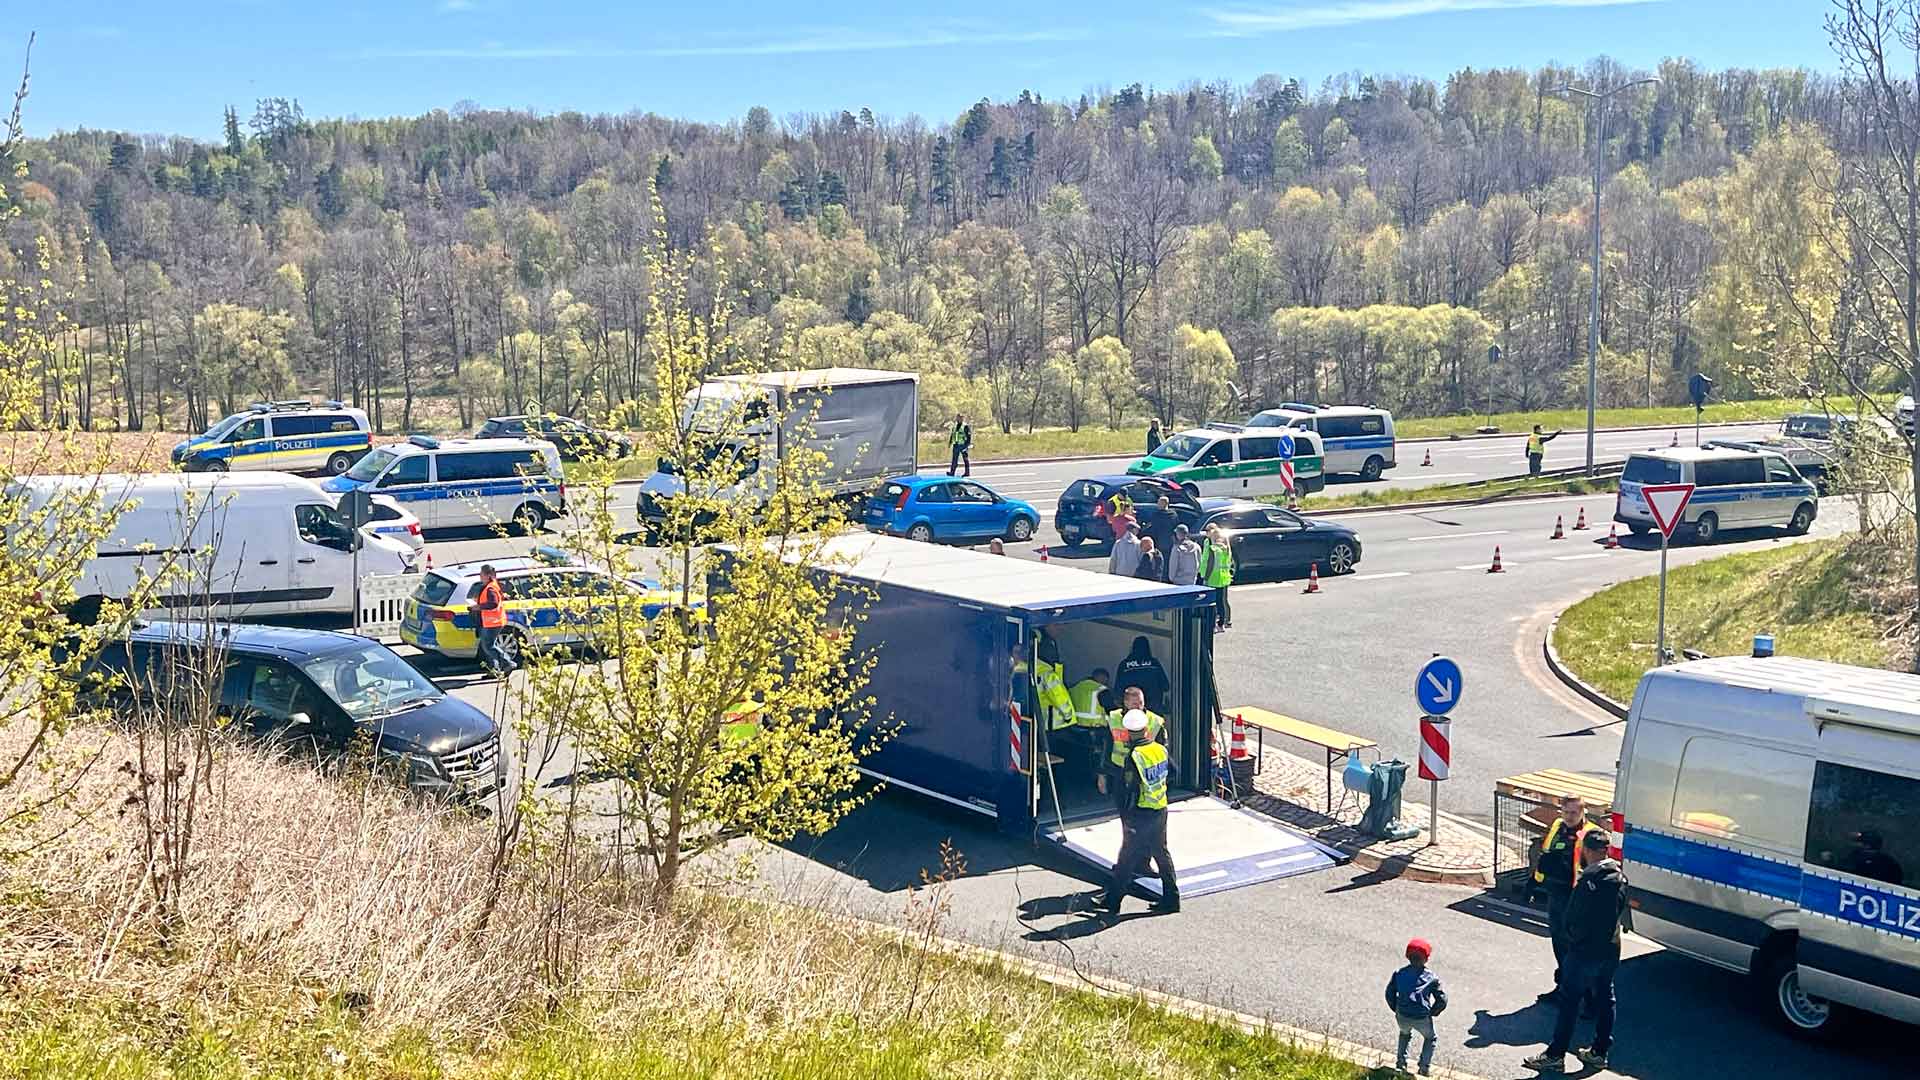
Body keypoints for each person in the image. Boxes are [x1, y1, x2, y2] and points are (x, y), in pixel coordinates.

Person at [1525, 829, 1626, 1073]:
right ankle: (1599, 1052)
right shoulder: (1620, 877)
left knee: (1569, 1001)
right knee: (1605, 998)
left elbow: (1573, 917)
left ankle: (1555, 1055)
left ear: (1588, 851)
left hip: (1584, 951)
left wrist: (1572, 940)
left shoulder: (1589, 881)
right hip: (1611, 948)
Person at [1102, 709, 1179, 915]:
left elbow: (1130, 788)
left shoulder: (1134, 756)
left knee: (1126, 858)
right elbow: (1173, 772)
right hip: (1160, 809)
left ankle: (1112, 903)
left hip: (1141, 813)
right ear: (1146, 730)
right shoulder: (1160, 750)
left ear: (1127, 733)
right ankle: (1172, 900)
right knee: (1162, 854)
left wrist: (1128, 815)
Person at [1533, 795, 1596, 1004]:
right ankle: (1563, 988)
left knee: (1577, 948)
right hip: (1556, 895)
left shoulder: (1590, 834)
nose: (1570, 817)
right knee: (1560, 944)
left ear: (1583, 813)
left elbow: (1594, 869)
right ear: (1560, 811)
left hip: (1577, 899)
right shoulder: (1558, 825)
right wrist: (1534, 882)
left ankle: (1587, 996)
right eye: (1566, 812)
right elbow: (1547, 853)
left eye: (1574, 813)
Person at [1385, 938, 1447, 1077]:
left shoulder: (1399, 973)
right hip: (1421, 1016)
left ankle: (1401, 1064)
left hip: (1402, 1015)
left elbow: (1389, 993)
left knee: (1404, 1034)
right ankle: (1424, 1068)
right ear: (1426, 959)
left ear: (1408, 956)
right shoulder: (1431, 978)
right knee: (1430, 1038)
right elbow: (1442, 999)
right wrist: (1433, 1012)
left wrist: (1396, 1008)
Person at [1098, 685, 1163, 796]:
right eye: (1134, 704)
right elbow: (1106, 747)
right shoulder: (1114, 718)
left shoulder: (1155, 720)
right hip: (1119, 770)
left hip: (1144, 772)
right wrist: (1102, 773)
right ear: (1126, 703)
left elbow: (1162, 751)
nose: (1139, 707)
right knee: (1123, 805)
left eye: (1141, 703)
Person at [469, 564, 511, 675]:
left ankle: (508, 663)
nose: (480, 576)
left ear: (488, 575)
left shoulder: (491, 588)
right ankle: (495, 670)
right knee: (488, 646)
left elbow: (493, 603)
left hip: (493, 622)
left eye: (481, 574)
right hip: (491, 621)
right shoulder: (491, 586)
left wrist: (477, 607)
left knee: (488, 647)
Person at [1114, 635, 1170, 715]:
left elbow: (1118, 690)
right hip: (1153, 711)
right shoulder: (1154, 663)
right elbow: (1166, 686)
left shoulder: (1124, 665)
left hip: (1132, 712)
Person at [1033, 634, 1076, 735]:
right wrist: (1067, 714)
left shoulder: (1031, 666)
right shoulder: (1048, 672)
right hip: (1054, 723)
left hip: (1037, 720)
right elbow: (1057, 695)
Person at [1200, 524, 1234, 630]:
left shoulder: (1213, 548)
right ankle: (1222, 624)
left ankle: (1213, 624)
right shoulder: (1226, 548)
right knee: (1221, 601)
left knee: (1213, 602)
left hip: (1212, 578)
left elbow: (1210, 564)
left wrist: (1205, 578)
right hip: (1223, 577)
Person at [1144, 495, 1177, 576]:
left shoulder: (1157, 515)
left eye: (1158, 502)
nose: (1157, 504)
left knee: (1159, 562)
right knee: (1168, 562)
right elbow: (1175, 527)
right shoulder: (1173, 514)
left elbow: (1153, 529)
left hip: (1159, 543)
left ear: (1163, 503)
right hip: (1170, 543)